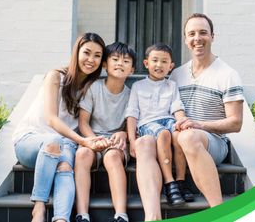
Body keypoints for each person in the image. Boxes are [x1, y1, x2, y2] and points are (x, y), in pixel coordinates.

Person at [12, 33, 106, 222]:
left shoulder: (91, 87)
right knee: (53, 141)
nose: (91, 60)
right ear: (76, 53)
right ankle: (38, 208)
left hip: (65, 145)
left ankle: (61, 219)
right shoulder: (56, 77)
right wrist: (81, 140)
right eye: (86, 52)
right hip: (31, 141)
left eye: (97, 55)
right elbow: (51, 119)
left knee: (64, 166)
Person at [170, 13, 244, 207]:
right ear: (186, 39)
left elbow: (236, 123)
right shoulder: (176, 75)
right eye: (191, 34)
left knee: (189, 137)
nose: (197, 39)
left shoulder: (227, 74)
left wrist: (199, 125)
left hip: (214, 142)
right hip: (179, 141)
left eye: (203, 32)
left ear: (212, 36)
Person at [126, 43, 193, 213]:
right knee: (163, 134)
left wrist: (181, 122)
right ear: (146, 63)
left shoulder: (171, 85)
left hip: (168, 120)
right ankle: (169, 183)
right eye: (155, 60)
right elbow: (132, 114)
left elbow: (177, 107)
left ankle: (180, 181)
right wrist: (132, 141)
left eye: (164, 62)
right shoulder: (138, 86)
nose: (159, 65)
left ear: (171, 66)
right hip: (147, 124)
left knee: (179, 135)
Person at [74, 42, 136, 222]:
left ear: (132, 69)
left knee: (112, 157)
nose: (119, 64)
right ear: (105, 65)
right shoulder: (93, 88)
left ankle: (121, 214)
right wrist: (93, 140)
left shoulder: (132, 94)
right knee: (82, 154)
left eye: (126, 61)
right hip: (92, 138)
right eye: (115, 59)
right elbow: (83, 123)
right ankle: (82, 214)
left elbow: (130, 123)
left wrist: (124, 133)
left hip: (116, 142)